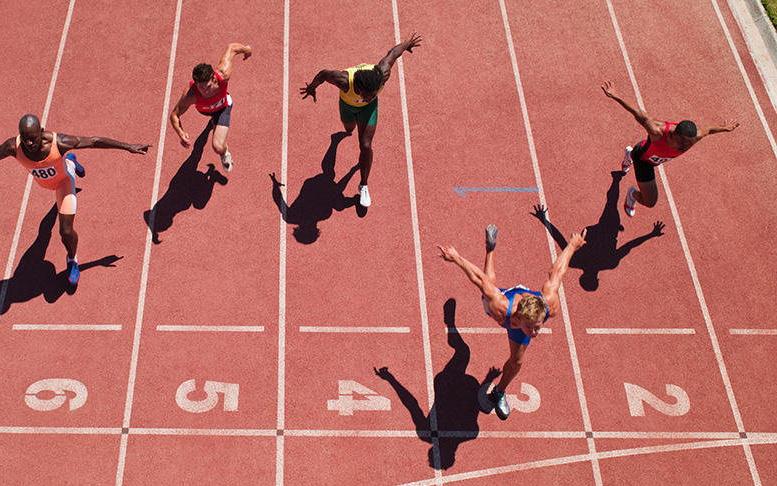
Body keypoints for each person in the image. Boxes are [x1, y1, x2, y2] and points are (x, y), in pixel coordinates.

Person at [0, 114, 150, 285]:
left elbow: (94, 141)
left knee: (64, 231)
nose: (29, 143)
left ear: (42, 132)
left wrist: (128, 146)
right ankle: (69, 161)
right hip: (45, 183)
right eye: (26, 138)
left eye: (33, 138)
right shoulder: (13, 146)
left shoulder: (60, 142)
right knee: (42, 235)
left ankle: (72, 260)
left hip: (64, 182)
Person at [437, 224, 586, 420]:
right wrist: (456, 257)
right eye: (530, 328)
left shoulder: (550, 305)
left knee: (516, 363)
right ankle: (490, 251)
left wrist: (572, 247)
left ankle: (499, 392)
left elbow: (557, 273)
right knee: (486, 295)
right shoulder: (500, 309)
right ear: (518, 318)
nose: (534, 333)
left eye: (537, 327)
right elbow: (480, 280)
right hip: (507, 301)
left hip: (525, 298)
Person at [299, 32, 422, 207]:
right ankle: (335, 141)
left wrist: (406, 43)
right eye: (365, 96)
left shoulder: (382, 75)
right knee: (348, 130)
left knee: (365, 145)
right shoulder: (343, 80)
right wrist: (311, 88)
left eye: (372, 96)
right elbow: (323, 74)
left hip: (367, 112)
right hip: (347, 107)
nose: (367, 98)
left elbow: (393, 54)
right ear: (357, 86)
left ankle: (363, 185)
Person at [601, 80, 739, 217]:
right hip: (644, 160)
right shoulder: (657, 130)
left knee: (650, 201)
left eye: (688, 144)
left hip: (654, 158)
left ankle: (628, 156)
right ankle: (633, 192)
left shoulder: (696, 136)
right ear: (674, 134)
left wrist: (724, 128)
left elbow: (708, 130)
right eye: (682, 142)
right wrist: (615, 95)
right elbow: (638, 112)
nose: (684, 147)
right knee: (650, 202)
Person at [170, 42, 252, 173]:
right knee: (209, 127)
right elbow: (174, 114)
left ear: (213, 79)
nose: (205, 91)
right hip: (205, 111)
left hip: (223, 108)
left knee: (217, 147)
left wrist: (247, 49)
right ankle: (213, 123)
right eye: (200, 87)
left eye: (207, 86)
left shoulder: (223, 75)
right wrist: (181, 134)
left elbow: (232, 48)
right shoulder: (190, 94)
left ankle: (225, 153)